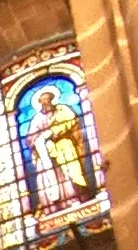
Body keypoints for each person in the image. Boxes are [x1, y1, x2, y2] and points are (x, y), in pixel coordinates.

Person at [22, 83, 93, 215]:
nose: (45, 103)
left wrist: (54, 131)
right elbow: (30, 137)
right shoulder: (37, 118)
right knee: (46, 173)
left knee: (69, 172)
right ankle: (53, 207)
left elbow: (71, 121)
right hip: (44, 151)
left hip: (63, 145)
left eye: (47, 99)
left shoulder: (63, 109)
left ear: (52, 99)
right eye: (42, 101)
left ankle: (75, 199)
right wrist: (40, 138)